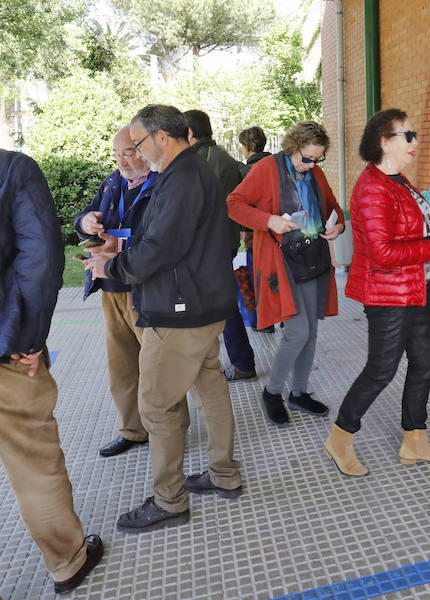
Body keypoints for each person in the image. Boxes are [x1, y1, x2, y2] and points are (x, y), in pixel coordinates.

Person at [84, 104, 243, 533]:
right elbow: (165, 241)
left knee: (155, 405)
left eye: (138, 142)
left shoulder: (181, 178)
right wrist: (121, 254)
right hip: (201, 303)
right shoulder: (187, 173)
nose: (134, 151)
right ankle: (223, 473)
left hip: (180, 312)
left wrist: (110, 268)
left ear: (163, 138)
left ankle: (170, 500)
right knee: (210, 386)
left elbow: (159, 249)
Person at [324, 108, 430, 476]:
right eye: (407, 135)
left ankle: (415, 440)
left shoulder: (398, 180)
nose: (414, 142)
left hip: (414, 289)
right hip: (387, 295)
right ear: (385, 143)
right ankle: (340, 438)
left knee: (425, 363)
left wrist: (428, 224)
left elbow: (401, 229)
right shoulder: (372, 188)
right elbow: (383, 253)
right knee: (381, 370)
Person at [0, 149, 103, 593]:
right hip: (8, 355)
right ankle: (67, 562)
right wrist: (28, 340)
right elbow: (40, 259)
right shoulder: (11, 170)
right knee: (34, 465)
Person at [228, 122, 345, 426]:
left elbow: (334, 208)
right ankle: (272, 391)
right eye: (306, 159)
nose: (311, 166)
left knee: (311, 332)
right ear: (293, 148)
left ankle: (299, 392)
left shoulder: (315, 172)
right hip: (282, 263)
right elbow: (234, 205)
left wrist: (338, 226)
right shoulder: (267, 168)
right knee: (297, 332)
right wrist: (268, 220)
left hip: (313, 260)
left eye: (317, 160)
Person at [74, 126, 157, 458]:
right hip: (109, 283)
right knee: (122, 368)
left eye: (127, 152)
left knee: (157, 367)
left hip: (145, 288)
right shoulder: (113, 181)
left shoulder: (160, 183)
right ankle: (133, 430)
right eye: (117, 154)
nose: (121, 160)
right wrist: (86, 222)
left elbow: (162, 241)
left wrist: (119, 244)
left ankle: (169, 430)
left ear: (143, 149)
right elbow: (82, 217)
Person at [185, 109, 257, 382]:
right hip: (222, 241)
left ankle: (242, 363)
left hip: (210, 246)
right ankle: (241, 361)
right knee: (223, 303)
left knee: (222, 306)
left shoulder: (199, 160)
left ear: (190, 133)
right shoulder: (219, 155)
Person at [237, 125, 275, 333]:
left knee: (257, 276)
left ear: (247, 146)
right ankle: (286, 316)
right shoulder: (278, 165)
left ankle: (264, 322)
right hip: (281, 228)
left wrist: (244, 230)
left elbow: (243, 205)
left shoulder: (247, 171)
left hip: (256, 231)